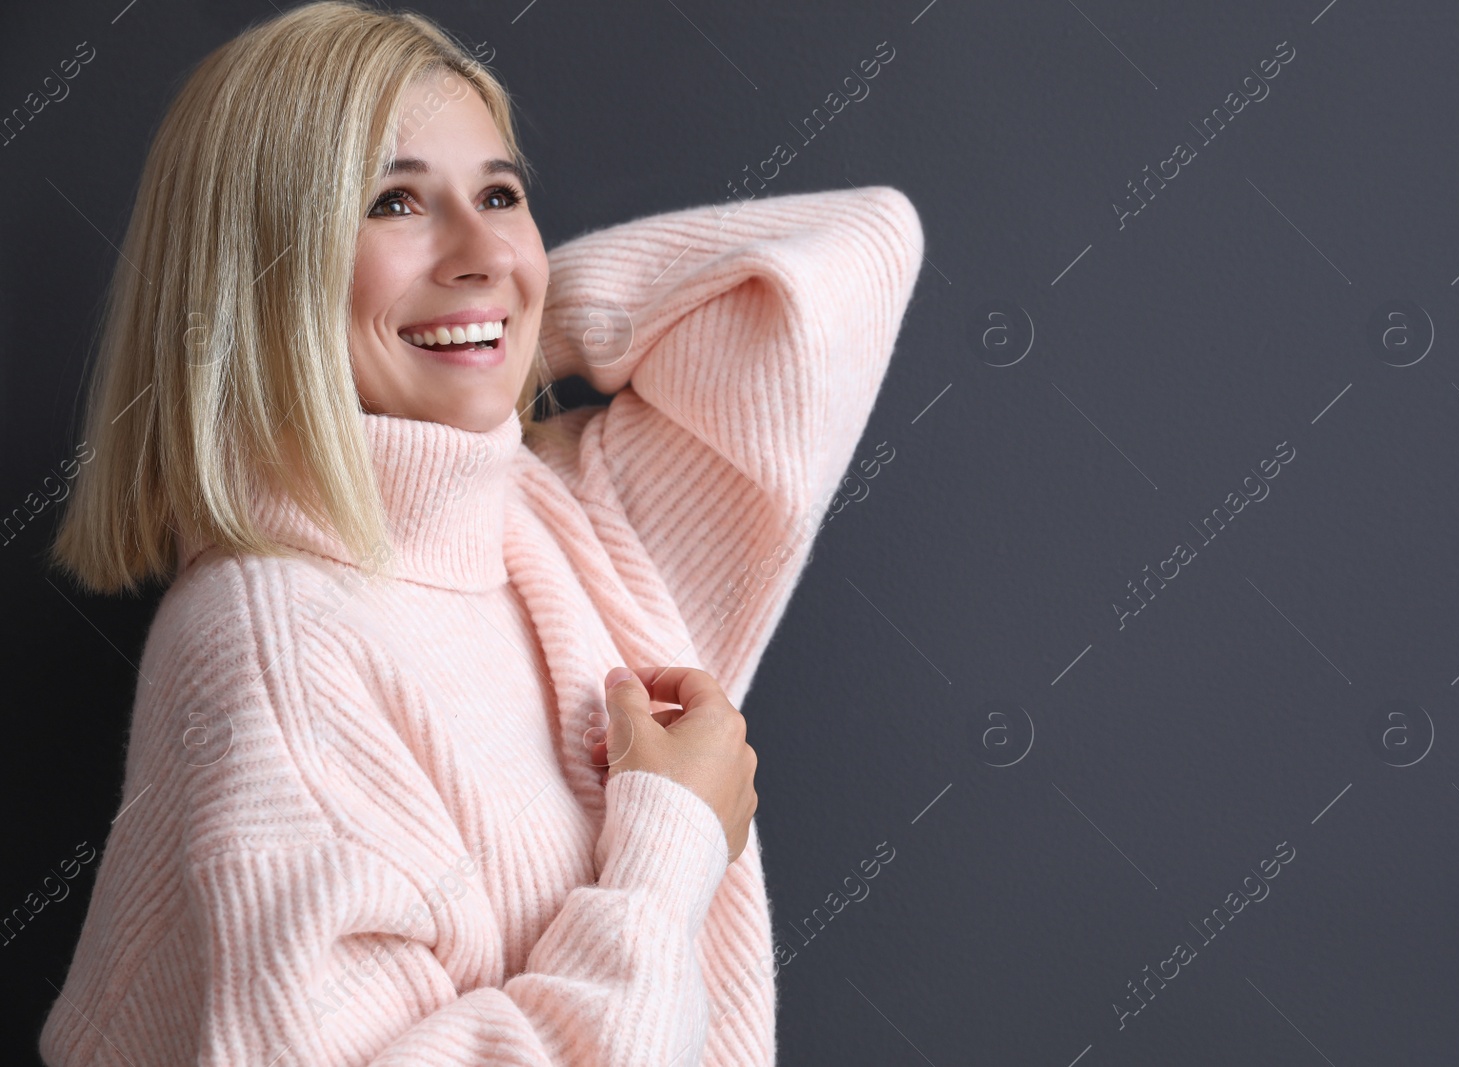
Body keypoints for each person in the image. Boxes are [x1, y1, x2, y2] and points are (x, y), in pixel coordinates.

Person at [38, 1, 922, 1064]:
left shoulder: (548, 513)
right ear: (259, 271)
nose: (482, 246)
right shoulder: (275, 647)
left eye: (499, 194)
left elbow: (854, 255)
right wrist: (668, 845)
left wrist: (509, 319)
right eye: (394, 200)